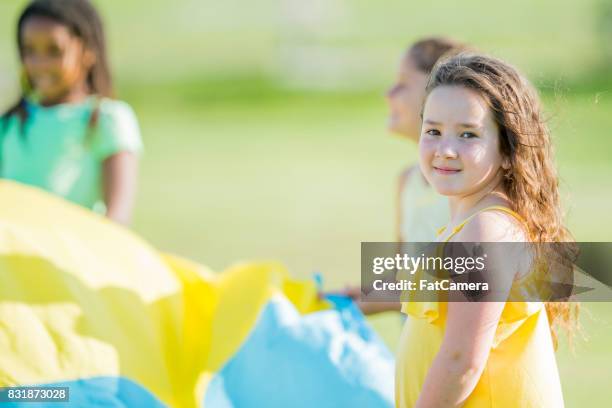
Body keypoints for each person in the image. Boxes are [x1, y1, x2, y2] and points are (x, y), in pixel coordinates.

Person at [396, 53, 579, 407]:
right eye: (433, 131)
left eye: (468, 134)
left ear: (509, 150)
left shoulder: (487, 230)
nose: (445, 150)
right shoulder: (472, 225)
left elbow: (461, 362)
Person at [334, 37, 468, 314]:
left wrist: (375, 301)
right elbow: (404, 278)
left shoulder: (468, 188)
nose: (389, 94)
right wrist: (352, 298)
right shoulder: (407, 182)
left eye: (403, 83)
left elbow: (468, 284)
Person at [0, 0, 142, 224]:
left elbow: (118, 218)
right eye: (29, 51)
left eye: (54, 51)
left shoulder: (106, 120)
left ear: (88, 51)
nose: (40, 63)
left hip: (72, 256)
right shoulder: (8, 126)